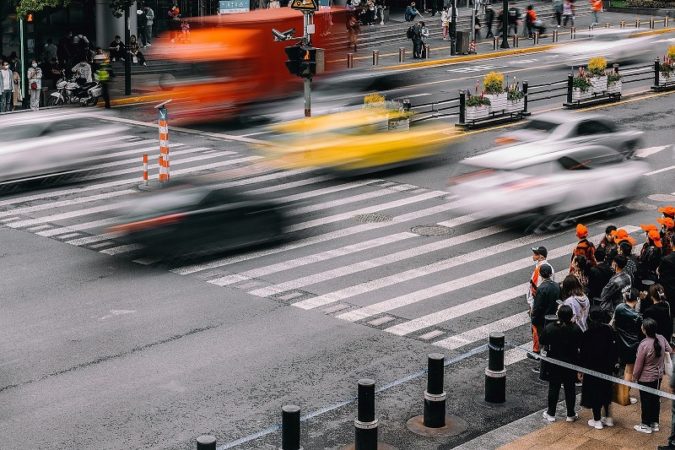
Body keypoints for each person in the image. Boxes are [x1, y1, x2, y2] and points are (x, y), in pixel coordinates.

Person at [540, 305, 583, 422]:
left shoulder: (550, 328)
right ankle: (570, 414)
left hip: (554, 363)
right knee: (570, 388)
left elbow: (542, 341)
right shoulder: (576, 329)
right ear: (571, 316)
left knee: (554, 387)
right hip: (571, 363)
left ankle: (551, 413)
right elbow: (581, 345)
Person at [633, 318, 673, 434]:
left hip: (645, 378)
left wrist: (635, 377)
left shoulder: (644, 344)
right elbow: (669, 350)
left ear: (644, 330)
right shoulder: (661, 338)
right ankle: (655, 423)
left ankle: (645, 424)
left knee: (645, 401)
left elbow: (638, 364)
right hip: (658, 376)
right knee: (655, 399)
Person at [581, 306, 618, 429]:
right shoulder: (608, 331)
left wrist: (582, 368)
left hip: (592, 368)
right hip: (606, 367)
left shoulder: (587, 334)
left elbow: (583, 354)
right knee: (606, 391)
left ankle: (597, 419)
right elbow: (613, 350)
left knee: (594, 393)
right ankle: (608, 417)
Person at [614, 287, 642, 406]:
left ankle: (623, 394)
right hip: (633, 346)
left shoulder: (619, 308)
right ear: (637, 299)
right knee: (629, 371)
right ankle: (624, 396)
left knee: (626, 369)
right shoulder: (637, 316)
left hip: (620, 343)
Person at [531, 263, 560, 374]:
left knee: (543, 344)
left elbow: (537, 307)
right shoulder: (556, 286)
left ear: (541, 275)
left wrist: (534, 319)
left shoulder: (541, 288)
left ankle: (543, 368)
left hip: (542, 321)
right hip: (554, 318)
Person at [527, 246, 554, 358]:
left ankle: (537, 351)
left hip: (539, 303)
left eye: (535, 254)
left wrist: (532, 306)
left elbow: (536, 290)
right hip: (548, 303)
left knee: (536, 326)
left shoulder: (541, 269)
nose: (533, 255)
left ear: (541, 257)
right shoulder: (549, 267)